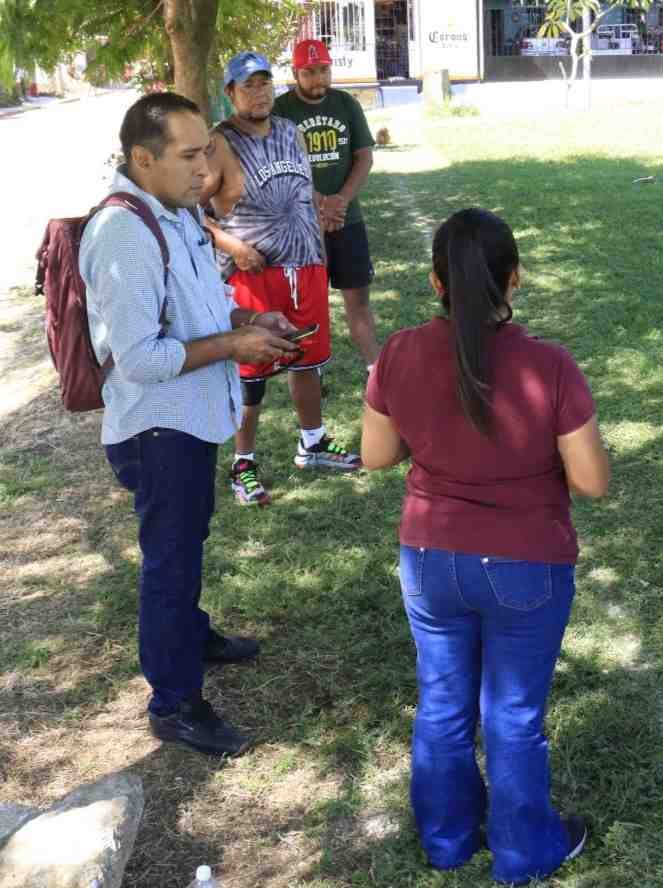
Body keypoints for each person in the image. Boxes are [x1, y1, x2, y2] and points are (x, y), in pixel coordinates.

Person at [360, 208, 610, 885]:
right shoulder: (549, 365)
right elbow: (590, 480)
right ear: (515, 279)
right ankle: (524, 852)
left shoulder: (399, 353)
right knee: (513, 714)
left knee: (442, 702)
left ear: (436, 281)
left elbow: (375, 454)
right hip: (527, 562)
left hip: (430, 558)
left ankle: (447, 839)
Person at [81, 92, 301, 755]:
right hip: (157, 430)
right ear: (143, 159)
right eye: (187, 155)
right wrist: (234, 348)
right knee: (170, 563)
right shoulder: (123, 231)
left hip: (190, 418)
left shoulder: (173, 211)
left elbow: (198, 304)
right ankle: (174, 702)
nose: (204, 167)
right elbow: (140, 359)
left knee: (187, 543)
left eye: (207, 148)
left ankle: (190, 635)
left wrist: (246, 322)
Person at [203, 52, 362, 507]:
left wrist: (323, 208)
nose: (258, 92)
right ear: (230, 93)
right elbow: (194, 213)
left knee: (307, 358)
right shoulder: (219, 142)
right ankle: (243, 463)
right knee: (252, 370)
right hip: (254, 273)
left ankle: (312, 442)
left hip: (306, 262)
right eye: (247, 85)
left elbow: (299, 187)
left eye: (264, 83)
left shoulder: (291, 132)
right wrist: (232, 247)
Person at [273, 38, 382, 374]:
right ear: (295, 72)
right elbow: (281, 164)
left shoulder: (346, 104)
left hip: (347, 219)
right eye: (309, 72)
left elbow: (364, 156)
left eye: (323, 70)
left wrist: (341, 201)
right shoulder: (281, 111)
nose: (318, 79)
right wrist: (321, 203)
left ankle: (376, 372)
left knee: (358, 302)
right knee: (307, 306)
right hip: (303, 226)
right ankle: (310, 370)